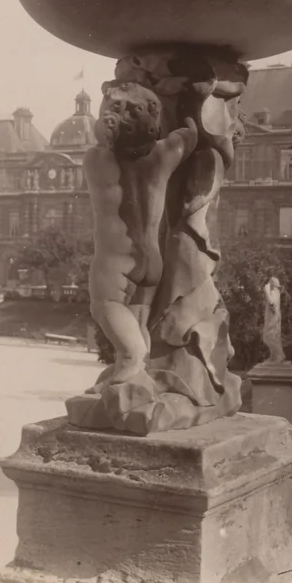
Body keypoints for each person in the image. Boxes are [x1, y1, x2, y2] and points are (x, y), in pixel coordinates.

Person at [84, 81, 198, 387]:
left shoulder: (97, 160)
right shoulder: (165, 154)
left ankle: (131, 357)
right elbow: (190, 134)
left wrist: (107, 124)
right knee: (137, 319)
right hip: (151, 263)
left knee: (104, 304)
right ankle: (135, 373)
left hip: (116, 258)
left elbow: (102, 138)